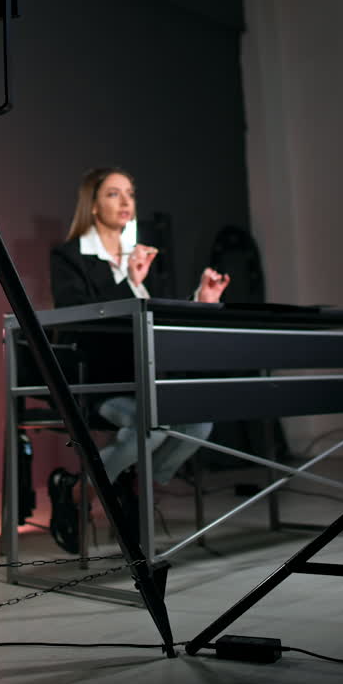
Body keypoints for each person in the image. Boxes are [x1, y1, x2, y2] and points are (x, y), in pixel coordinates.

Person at [47, 165, 229, 552]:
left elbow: (157, 316)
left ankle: (135, 481)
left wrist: (201, 301)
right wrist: (127, 281)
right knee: (153, 427)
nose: (126, 201)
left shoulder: (141, 255)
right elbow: (78, 316)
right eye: (114, 193)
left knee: (199, 424)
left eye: (130, 192)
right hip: (97, 378)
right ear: (93, 205)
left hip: (146, 377)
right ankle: (78, 493)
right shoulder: (69, 257)